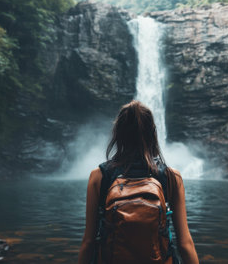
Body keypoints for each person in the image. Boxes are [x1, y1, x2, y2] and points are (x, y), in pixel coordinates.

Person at [78, 100, 199, 264]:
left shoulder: (99, 176)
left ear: (118, 133)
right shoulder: (172, 177)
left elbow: (88, 242)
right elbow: (185, 244)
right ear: (153, 133)